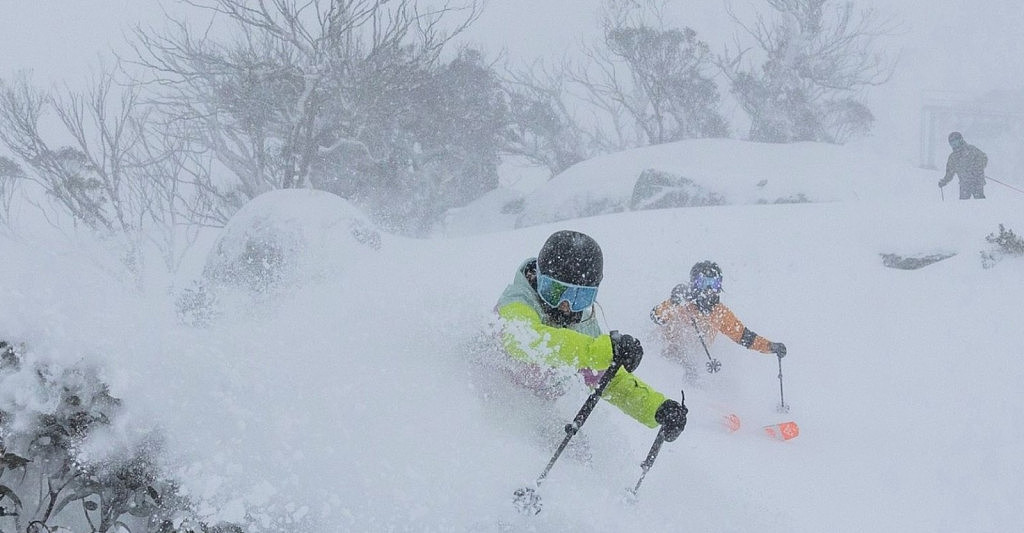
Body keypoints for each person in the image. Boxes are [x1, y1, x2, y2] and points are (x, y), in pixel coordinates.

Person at [495, 230, 687, 440]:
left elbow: (606, 378)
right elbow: (524, 341)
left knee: (580, 456)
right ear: (538, 277)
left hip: (535, 411)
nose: (566, 306)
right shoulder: (517, 302)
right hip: (490, 398)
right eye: (555, 291)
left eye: (580, 296)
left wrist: (656, 408)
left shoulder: (583, 325)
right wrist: (599, 350)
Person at [650, 261, 786, 376]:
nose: (709, 289)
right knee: (685, 371)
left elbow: (744, 336)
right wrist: (673, 302)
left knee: (694, 375)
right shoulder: (683, 302)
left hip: (690, 363)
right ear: (694, 283)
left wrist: (770, 347)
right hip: (664, 353)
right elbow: (656, 316)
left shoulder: (719, 313)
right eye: (703, 282)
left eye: (714, 284)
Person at [939, 131, 988, 199]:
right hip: (964, 184)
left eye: (956, 142)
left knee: (979, 201)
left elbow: (984, 158)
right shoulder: (953, 157)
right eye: (952, 143)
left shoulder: (971, 150)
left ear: (961, 140)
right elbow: (950, 172)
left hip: (977, 181)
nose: (954, 145)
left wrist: (977, 167)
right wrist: (944, 181)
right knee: (963, 204)